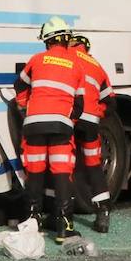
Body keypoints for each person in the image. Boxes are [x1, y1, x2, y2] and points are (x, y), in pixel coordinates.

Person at [16, 16, 87, 242]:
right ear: (66, 39)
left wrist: (25, 107)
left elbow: (20, 85)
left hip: (34, 124)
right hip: (61, 126)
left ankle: (31, 222)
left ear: (47, 40)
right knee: (62, 172)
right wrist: (68, 121)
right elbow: (80, 105)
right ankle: (64, 227)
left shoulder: (37, 59)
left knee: (35, 171)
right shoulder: (77, 65)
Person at [68, 34, 115, 233]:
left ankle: (62, 214)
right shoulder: (97, 65)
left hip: (71, 116)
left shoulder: (66, 56)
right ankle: (103, 211)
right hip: (90, 122)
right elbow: (110, 102)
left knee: (64, 164)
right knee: (93, 165)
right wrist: (95, 113)